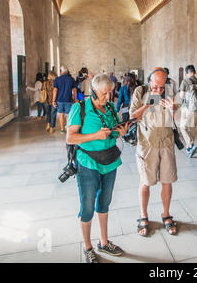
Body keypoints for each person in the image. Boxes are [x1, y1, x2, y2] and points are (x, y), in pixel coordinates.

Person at [66, 74, 131, 263]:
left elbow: (113, 130)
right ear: (93, 91)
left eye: (110, 93)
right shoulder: (79, 108)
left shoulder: (110, 108)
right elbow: (71, 138)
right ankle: (88, 247)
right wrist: (95, 135)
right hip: (88, 163)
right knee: (87, 206)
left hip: (110, 161)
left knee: (104, 202)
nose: (108, 97)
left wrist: (121, 131)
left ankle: (104, 242)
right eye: (104, 93)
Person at [130, 68, 179, 237]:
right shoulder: (140, 91)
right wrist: (147, 105)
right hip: (147, 145)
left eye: (162, 87)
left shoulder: (171, 91)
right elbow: (132, 117)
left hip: (166, 144)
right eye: (155, 86)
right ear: (149, 81)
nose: (158, 90)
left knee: (167, 181)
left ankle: (166, 214)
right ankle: (143, 216)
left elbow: (182, 121)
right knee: (146, 181)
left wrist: (174, 109)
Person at [179, 65, 197, 158]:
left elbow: (181, 96)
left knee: (182, 127)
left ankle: (191, 145)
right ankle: (189, 148)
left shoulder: (185, 81)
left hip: (187, 108)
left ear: (186, 73)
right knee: (192, 128)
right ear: (194, 72)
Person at [53, 67, 77, 133]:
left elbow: (55, 90)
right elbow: (74, 90)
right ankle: (68, 129)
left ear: (61, 72)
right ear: (67, 72)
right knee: (68, 114)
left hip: (59, 100)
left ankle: (62, 129)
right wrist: (75, 99)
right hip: (68, 99)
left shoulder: (57, 79)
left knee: (61, 114)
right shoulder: (71, 79)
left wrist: (53, 100)